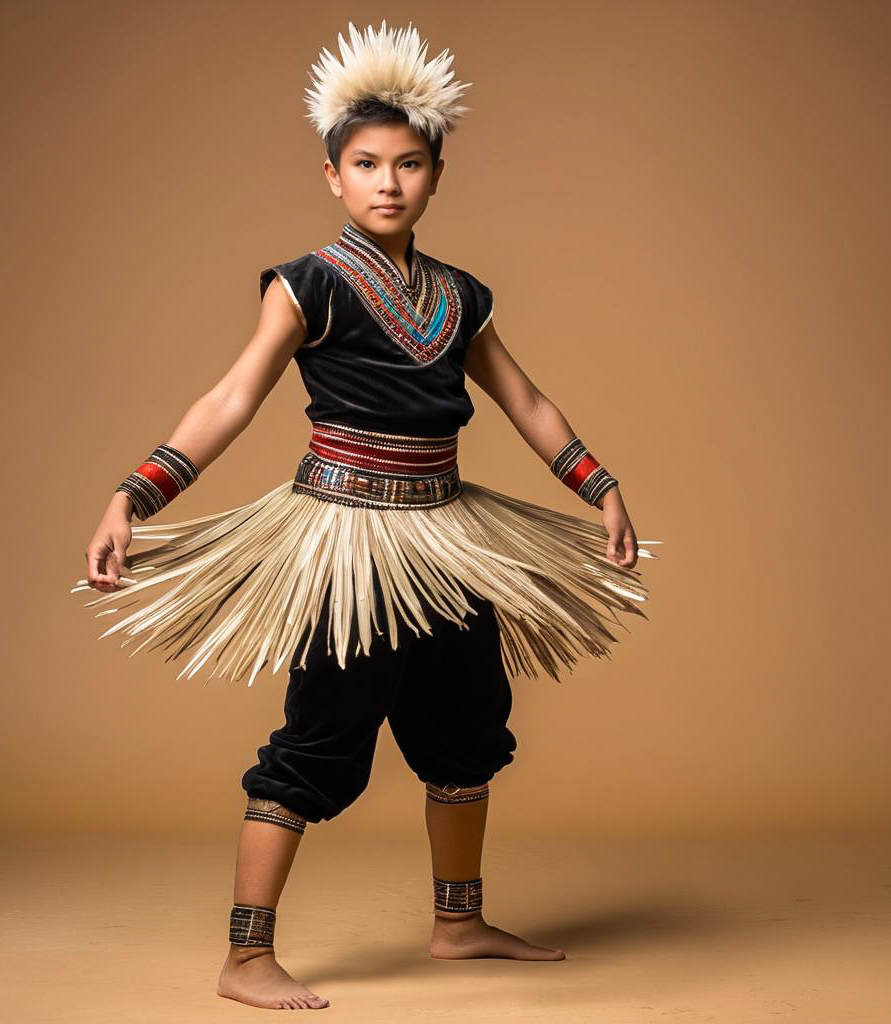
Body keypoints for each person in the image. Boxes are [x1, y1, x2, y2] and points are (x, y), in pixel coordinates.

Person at [71, 20, 661, 1011]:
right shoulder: (309, 286)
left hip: (453, 536)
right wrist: (135, 492)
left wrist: (599, 484)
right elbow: (230, 398)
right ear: (332, 176)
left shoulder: (460, 296)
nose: (388, 181)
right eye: (366, 163)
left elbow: (523, 401)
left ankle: (457, 920)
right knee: (322, 739)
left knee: (468, 725)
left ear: (437, 174)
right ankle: (247, 953)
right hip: (346, 544)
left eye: (410, 163)